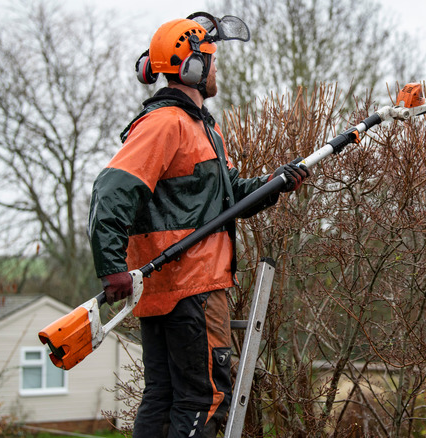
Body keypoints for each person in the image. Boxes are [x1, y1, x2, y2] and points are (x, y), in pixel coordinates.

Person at [87, 13, 310, 437]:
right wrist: (111, 266)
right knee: (203, 399)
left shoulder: (197, 127)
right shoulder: (167, 123)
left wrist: (271, 184)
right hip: (193, 287)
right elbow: (111, 191)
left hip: (169, 289)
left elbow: (224, 200)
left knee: (164, 396)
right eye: (210, 58)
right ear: (192, 67)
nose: (215, 67)